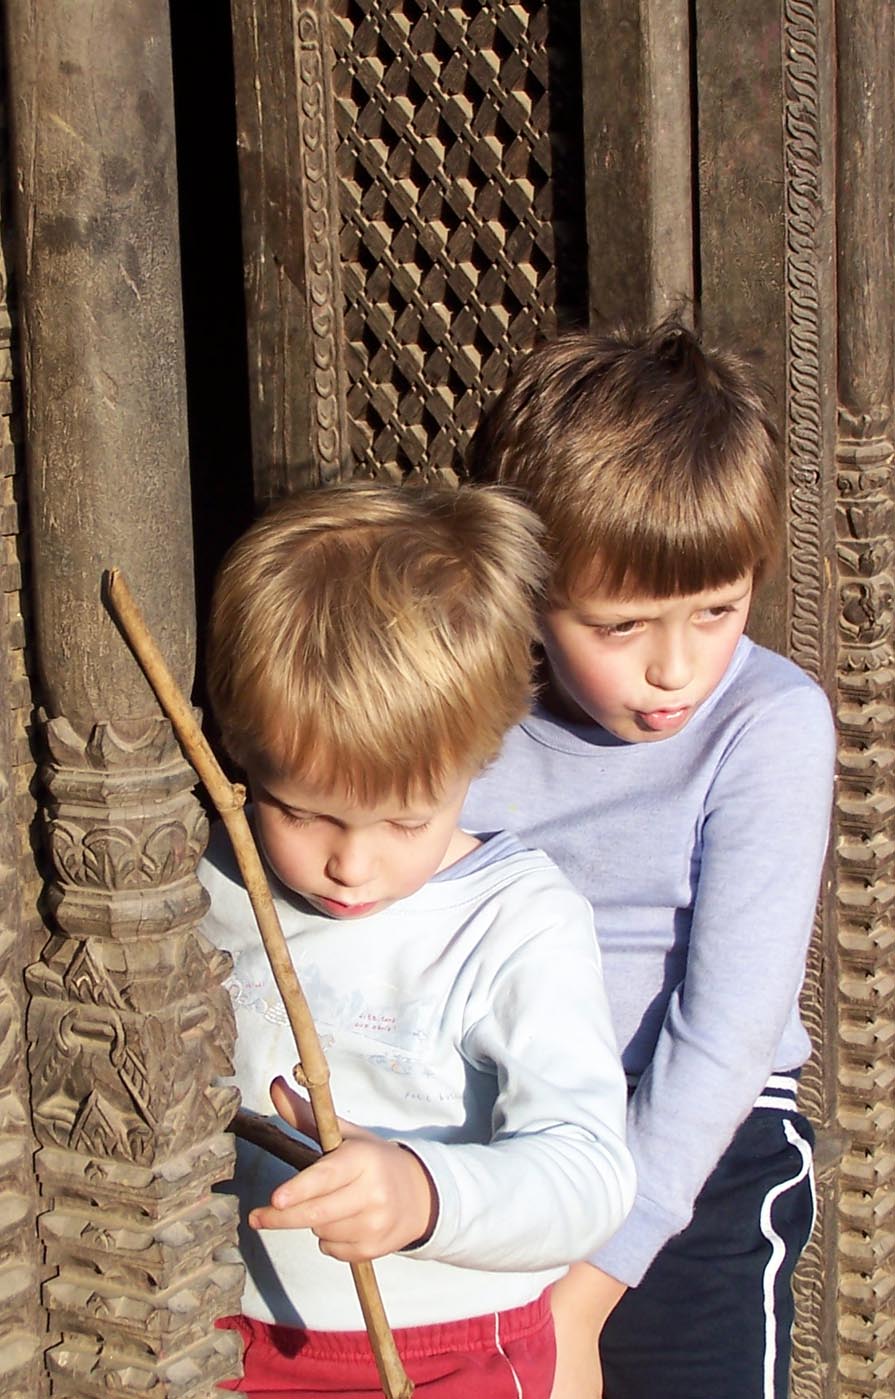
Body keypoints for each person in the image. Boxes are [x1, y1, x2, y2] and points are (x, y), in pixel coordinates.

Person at [462, 321, 836, 1399]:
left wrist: (580, 1299)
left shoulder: (765, 726)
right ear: (526, 587)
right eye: (621, 625)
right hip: (501, 1138)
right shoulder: (465, 716)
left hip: (698, 1158)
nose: (676, 668)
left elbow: (724, 1032)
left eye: (718, 610)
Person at [199, 481, 635, 1398]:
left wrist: (422, 1193)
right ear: (238, 749)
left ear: (477, 759)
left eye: (403, 822)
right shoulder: (206, 882)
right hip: (224, 1336)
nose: (349, 865)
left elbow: (589, 1171)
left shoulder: (512, 920)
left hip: (448, 1349)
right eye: (302, 811)